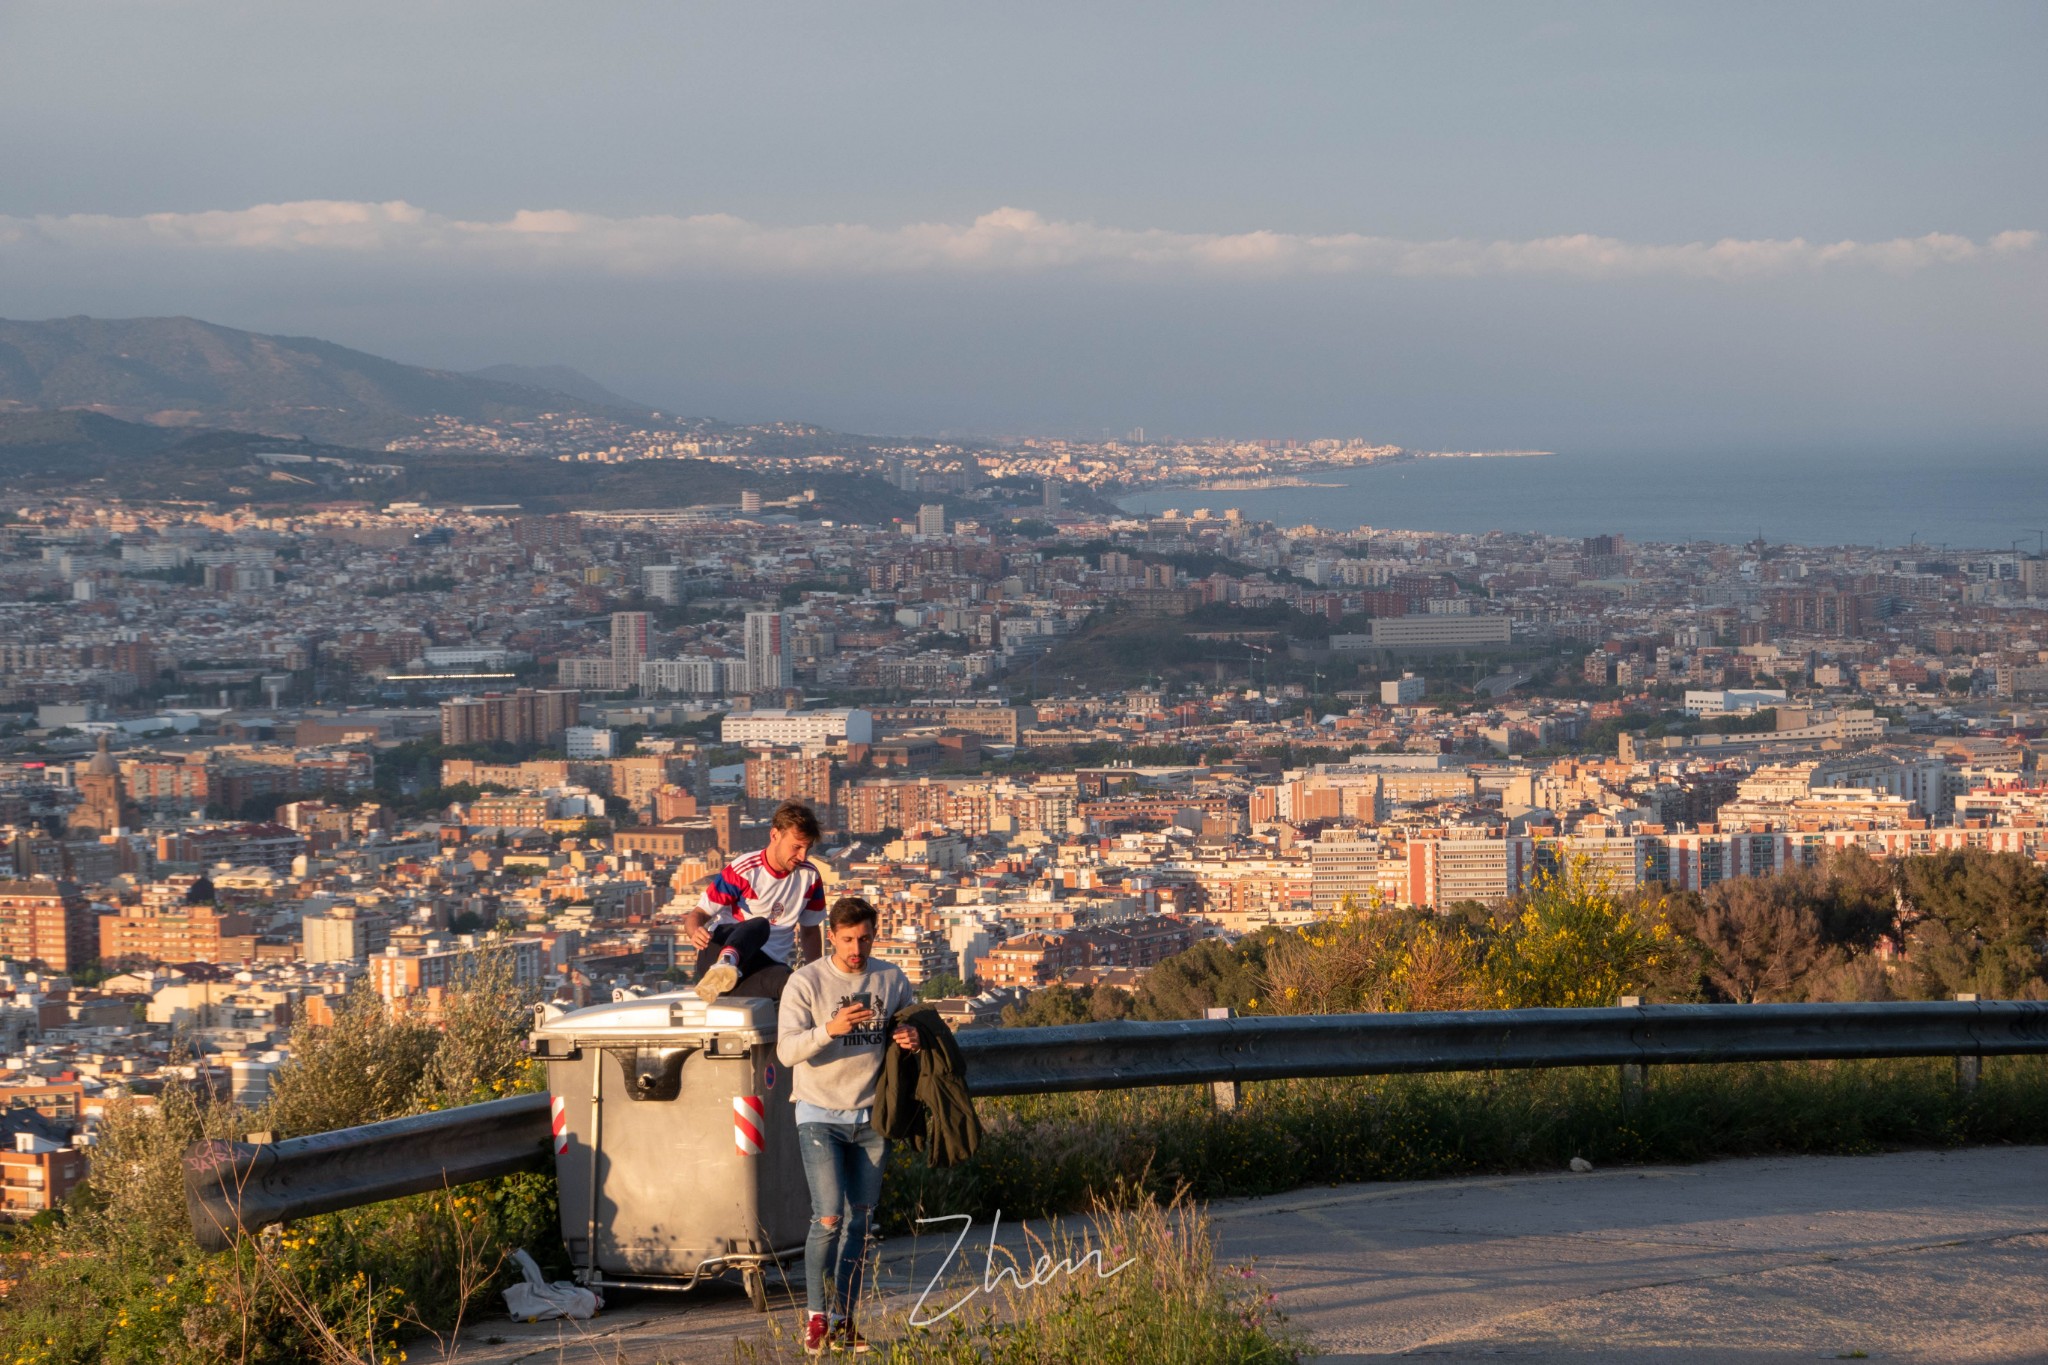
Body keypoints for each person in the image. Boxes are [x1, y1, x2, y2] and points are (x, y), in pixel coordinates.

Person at [776, 895, 918, 1356]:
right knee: (829, 1215)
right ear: (831, 937)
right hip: (819, 1111)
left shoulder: (889, 978)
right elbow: (786, 1051)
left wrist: (910, 1037)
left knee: (862, 1222)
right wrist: (830, 1030)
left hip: (871, 1116)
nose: (857, 948)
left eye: (865, 939)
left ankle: (844, 1319)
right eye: (848, 939)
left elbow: (910, 1024)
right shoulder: (806, 981)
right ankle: (816, 1317)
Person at [684, 801, 826, 1002]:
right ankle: (725, 965)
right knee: (760, 925)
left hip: (762, 966)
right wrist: (695, 931)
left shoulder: (810, 877)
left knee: (794, 987)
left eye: (807, 848)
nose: (802, 856)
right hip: (718, 952)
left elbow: (810, 931)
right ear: (775, 835)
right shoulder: (745, 869)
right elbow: (696, 915)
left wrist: (817, 974)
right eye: (796, 847)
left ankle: (724, 988)